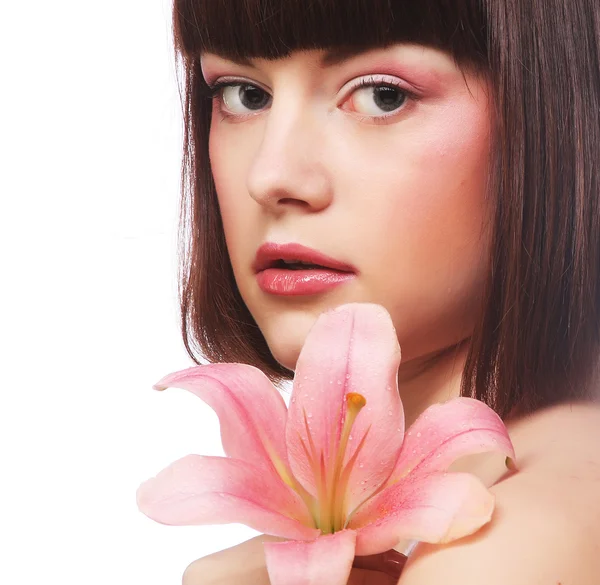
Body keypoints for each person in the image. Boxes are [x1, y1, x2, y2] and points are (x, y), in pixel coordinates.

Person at [165, 0, 600, 583]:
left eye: (381, 95)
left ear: (561, 115)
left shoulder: (507, 546)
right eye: (244, 94)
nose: (270, 176)